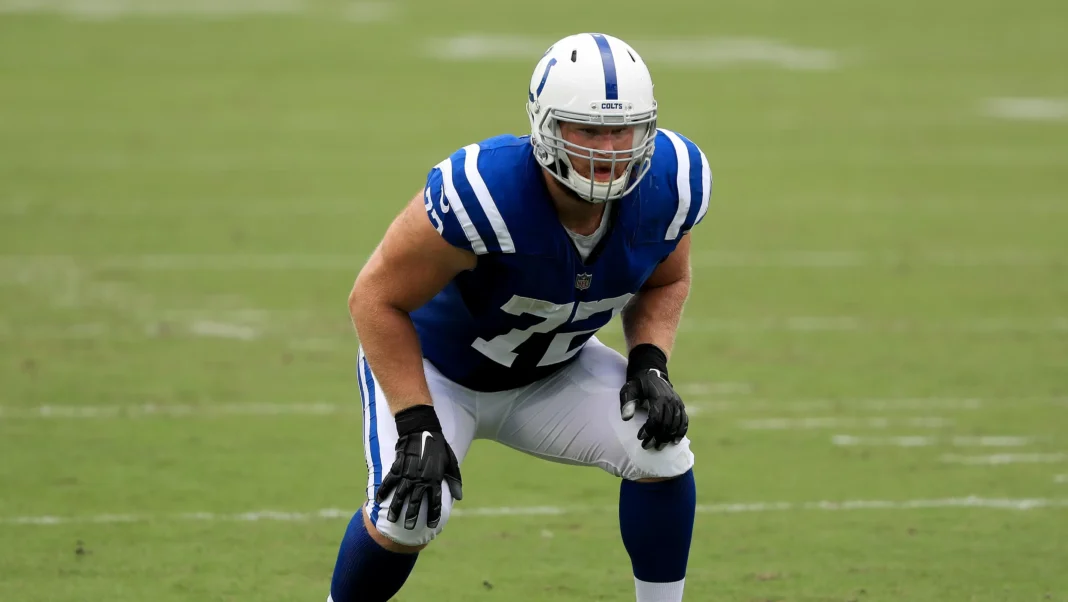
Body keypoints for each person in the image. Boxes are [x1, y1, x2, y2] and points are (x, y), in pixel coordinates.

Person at [329, 32, 712, 602]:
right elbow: (374, 299)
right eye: (588, 130)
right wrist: (416, 421)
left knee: (659, 445)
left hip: (553, 372)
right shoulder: (485, 191)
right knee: (407, 512)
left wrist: (649, 361)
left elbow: (667, 279)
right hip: (437, 374)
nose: (610, 149)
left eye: (623, 130)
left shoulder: (670, 184)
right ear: (546, 127)